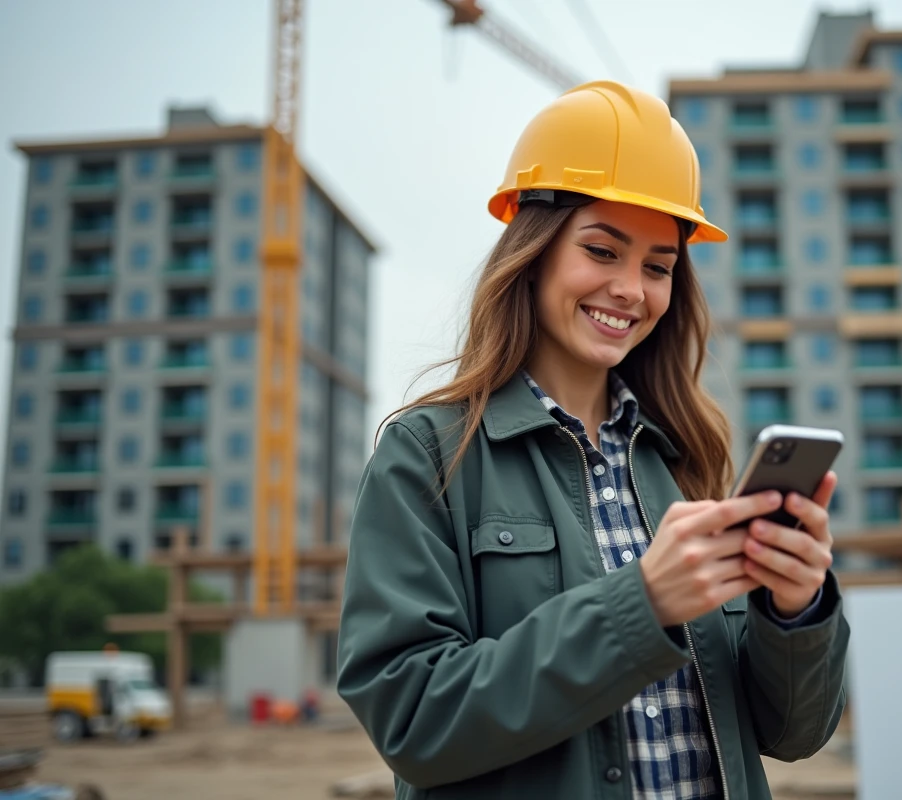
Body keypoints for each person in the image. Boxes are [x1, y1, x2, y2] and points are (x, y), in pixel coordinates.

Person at [337, 80, 850, 799]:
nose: (631, 290)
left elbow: (791, 733)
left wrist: (795, 613)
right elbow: (413, 721)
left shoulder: (686, 458)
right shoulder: (427, 455)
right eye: (602, 250)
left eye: (657, 267)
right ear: (536, 249)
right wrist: (641, 605)